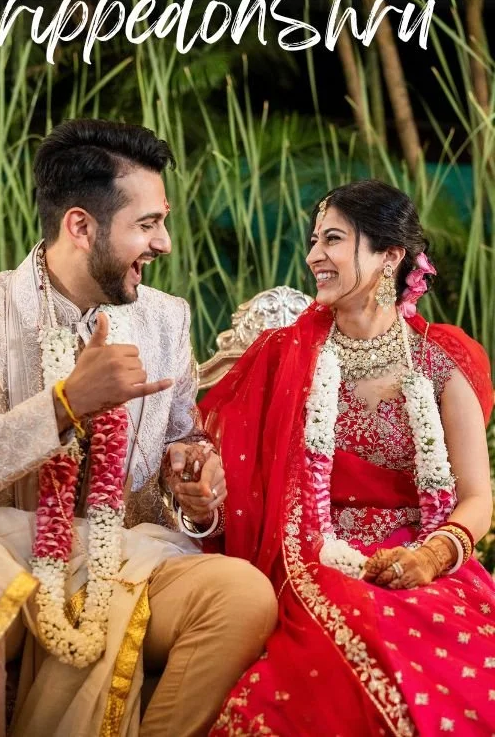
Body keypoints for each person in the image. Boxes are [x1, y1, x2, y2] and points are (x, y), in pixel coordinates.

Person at [0, 118, 277, 737]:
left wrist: (196, 488)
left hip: (123, 557)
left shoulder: (164, 320)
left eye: (163, 222)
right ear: (81, 226)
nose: (164, 243)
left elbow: (182, 444)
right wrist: (63, 405)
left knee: (242, 594)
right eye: (146, 225)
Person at [200, 180, 495, 736]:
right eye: (314, 240)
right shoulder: (285, 356)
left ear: (390, 256)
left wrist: (432, 556)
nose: (314, 255)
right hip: (315, 556)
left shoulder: (441, 360)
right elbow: (226, 473)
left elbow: (478, 497)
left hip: (426, 558)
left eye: (332, 239)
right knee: (351, 644)